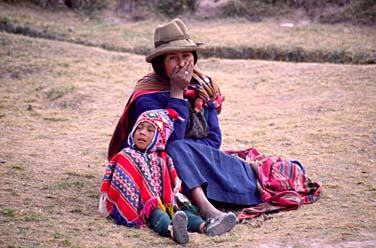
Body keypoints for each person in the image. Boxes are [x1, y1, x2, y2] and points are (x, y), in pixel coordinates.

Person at [107, 18, 261, 229]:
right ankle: (207, 210)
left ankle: (209, 203)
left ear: (194, 58)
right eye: (173, 57)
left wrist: (190, 153)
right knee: (174, 146)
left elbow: (214, 140)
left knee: (183, 149)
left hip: (200, 164)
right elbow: (165, 143)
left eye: (186, 56)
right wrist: (177, 92)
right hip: (159, 172)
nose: (181, 63)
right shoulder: (147, 97)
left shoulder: (201, 88)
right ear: (161, 64)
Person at [99, 109, 235, 244]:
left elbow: (172, 179)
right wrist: (147, 200)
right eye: (139, 128)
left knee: (182, 212)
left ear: (160, 137)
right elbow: (120, 182)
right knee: (158, 214)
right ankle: (171, 229)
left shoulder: (163, 158)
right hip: (142, 205)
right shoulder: (126, 156)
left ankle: (206, 226)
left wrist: (176, 193)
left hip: (166, 201)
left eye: (150, 130)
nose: (142, 132)